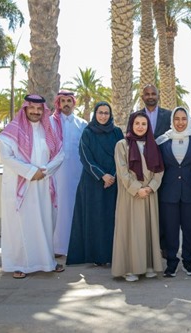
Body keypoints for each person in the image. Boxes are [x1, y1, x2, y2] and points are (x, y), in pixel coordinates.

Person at [0, 95, 65, 279]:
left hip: (43, 183)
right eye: (32, 108)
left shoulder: (48, 129)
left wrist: (45, 171)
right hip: (20, 185)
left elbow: (60, 153)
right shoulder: (12, 130)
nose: (35, 112)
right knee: (21, 226)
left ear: (44, 111)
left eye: (39, 109)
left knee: (44, 223)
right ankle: (18, 264)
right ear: (25, 109)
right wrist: (30, 172)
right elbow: (6, 157)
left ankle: (46, 261)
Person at [66, 102, 124, 266]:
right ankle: (95, 256)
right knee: (94, 219)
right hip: (92, 183)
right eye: (100, 112)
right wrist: (102, 175)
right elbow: (85, 157)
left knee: (110, 218)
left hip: (113, 183)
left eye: (106, 113)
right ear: (95, 114)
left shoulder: (117, 132)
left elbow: (122, 156)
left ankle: (111, 255)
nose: (103, 116)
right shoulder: (88, 132)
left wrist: (111, 176)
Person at [112, 112, 164, 282]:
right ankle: (130, 269)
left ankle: (148, 266)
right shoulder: (122, 145)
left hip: (149, 194)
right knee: (131, 230)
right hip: (131, 196)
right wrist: (137, 189)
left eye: (144, 123)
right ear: (131, 125)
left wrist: (150, 187)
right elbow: (122, 172)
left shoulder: (153, 144)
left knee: (149, 230)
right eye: (137, 123)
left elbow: (159, 170)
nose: (140, 127)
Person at [157, 107, 191, 277]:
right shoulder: (162, 141)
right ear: (172, 120)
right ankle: (171, 262)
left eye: (184, 118)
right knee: (170, 229)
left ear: (188, 120)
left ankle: (188, 262)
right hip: (168, 192)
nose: (180, 122)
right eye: (177, 118)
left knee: (190, 229)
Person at [51, 90, 88, 258]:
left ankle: (77, 246)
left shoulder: (82, 124)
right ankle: (59, 248)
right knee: (59, 209)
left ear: (74, 103)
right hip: (56, 173)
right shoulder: (51, 123)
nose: (66, 103)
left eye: (69, 100)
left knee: (76, 208)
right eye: (63, 101)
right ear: (58, 103)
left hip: (78, 173)